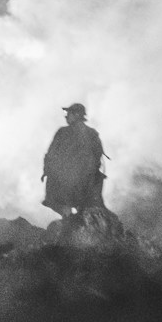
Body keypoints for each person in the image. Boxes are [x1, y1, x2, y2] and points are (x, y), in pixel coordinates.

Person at [42, 102, 112, 237]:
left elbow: (51, 154)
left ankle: (69, 218)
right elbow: (97, 157)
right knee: (91, 208)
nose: (66, 116)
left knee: (52, 199)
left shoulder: (63, 132)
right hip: (87, 183)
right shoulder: (92, 133)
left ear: (76, 115)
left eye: (68, 114)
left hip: (66, 183)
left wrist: (47, 171)